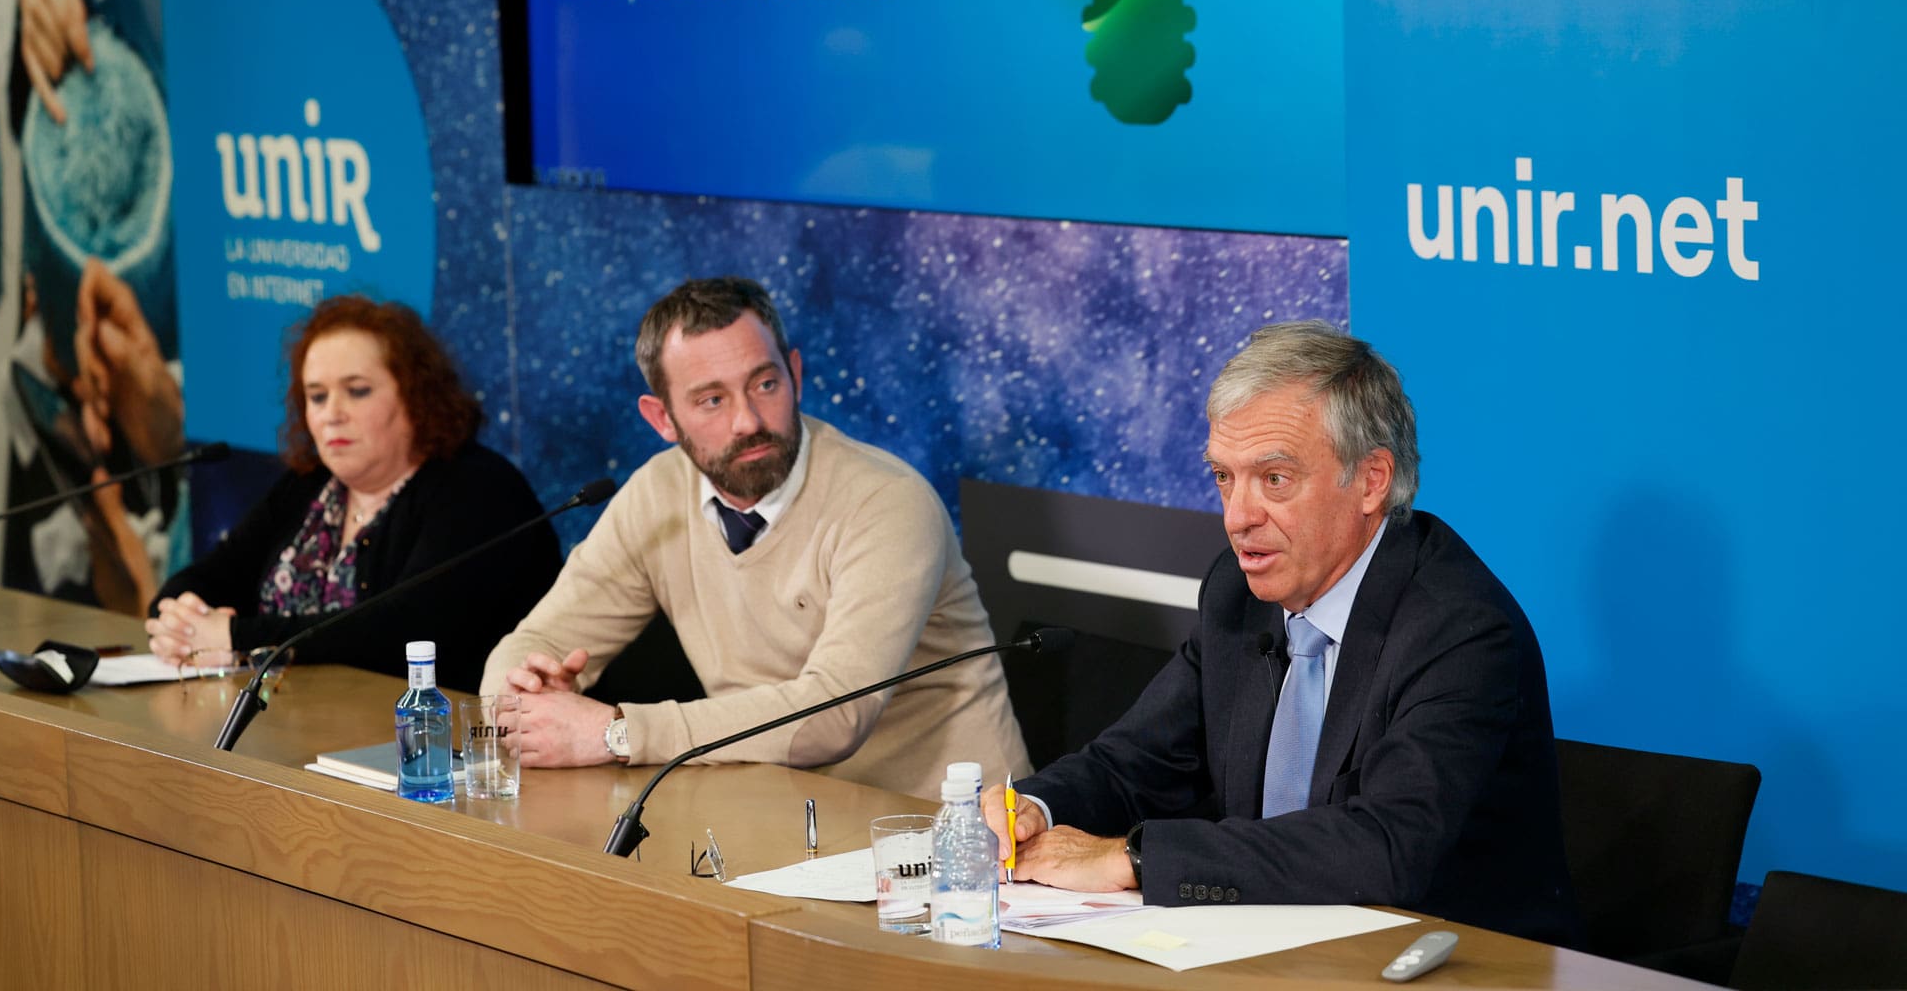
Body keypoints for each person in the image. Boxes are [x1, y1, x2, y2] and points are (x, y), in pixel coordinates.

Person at [983, 320, 1577, 945]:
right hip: (1273, 947)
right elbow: (1137, 761)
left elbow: (1385, 847)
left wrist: (1132, 858)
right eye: (1223, 477)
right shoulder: (1239, 592)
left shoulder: (1458, 628)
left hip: (1452, 962)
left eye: (1274, 479)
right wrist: (1033, 810)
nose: (1238, 518)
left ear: (1372, 480)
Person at [481, 277, 1029, 800]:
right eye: (712, 400)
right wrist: (520, 702)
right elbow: (534, 644)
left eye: (764, 384)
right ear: (662, 419)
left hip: (954, 829)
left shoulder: (885, 502)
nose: (748, 421)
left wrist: (615, 733)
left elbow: (834, 716)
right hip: (782, 812)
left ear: (795, 374)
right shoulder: (657, 495)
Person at [145, 295, 562, 692]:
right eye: (317, 396)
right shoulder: (310, 486)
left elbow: (403, 633)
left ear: (416, 395)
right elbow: (211, 575)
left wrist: (236, 637)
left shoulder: (478, 490)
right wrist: (177, 618)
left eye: (357, 391)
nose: (332, 414)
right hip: (305, 726)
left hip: (441, 740)